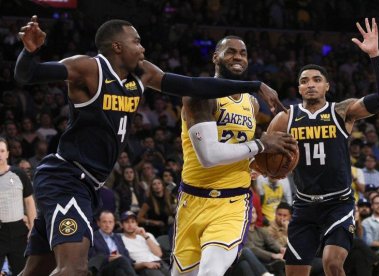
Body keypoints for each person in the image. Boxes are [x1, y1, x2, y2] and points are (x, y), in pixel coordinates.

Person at [15, 16, 286, 275]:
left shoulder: (143, 74)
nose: (142, 47)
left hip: (90, 183)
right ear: (117, 47)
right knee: (74, 268)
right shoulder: (87, 68)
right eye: (136, 41)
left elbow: (191, 85)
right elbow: (28, 75)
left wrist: (255, 85)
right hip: (66, 177)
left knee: (36, 270)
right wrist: (28, 52)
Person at [269, 18, 379, 276]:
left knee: (332, 263)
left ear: (327, 86)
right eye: (305, 81)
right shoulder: (286, 118)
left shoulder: (342, 111)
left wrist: (375, 55)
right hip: (304, 205)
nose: (310, 84)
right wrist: (261, 168)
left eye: (317, 79)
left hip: (338, 203)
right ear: (299, 87)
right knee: (293, 271)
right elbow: (265, 151)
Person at [171, 36, 297, 275]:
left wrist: (261, 165)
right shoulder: (199, 95)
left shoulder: (252, 103)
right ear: (215, 57)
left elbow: (240, 147)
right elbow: (209, 156)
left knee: (210, 272)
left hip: (233, 202)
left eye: (243, 53)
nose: (238, 57)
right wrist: (261, 146)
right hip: (191, 200)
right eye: (230, 52)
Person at [0, 137, 36, 275]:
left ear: (7, 154)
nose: (0, 154)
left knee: (22, 271)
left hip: (18, 231)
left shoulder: (19, 174)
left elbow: (29, 202)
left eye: (2, 151)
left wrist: (33, 229)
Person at [120, 210, 169, 276]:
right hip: (144, 267)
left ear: (136, 224)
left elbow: (159, 254)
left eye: (132, 222)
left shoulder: (147, 235)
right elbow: (127, 264)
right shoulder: (120, 240)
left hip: (160, 263)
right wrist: (145, 264)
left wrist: (145, 236)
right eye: (126, 222)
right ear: (122, 225)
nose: (130, 225)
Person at [88, 210, 136, 276]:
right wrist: (108, 258)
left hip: (118, 267)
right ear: (98, 223)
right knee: (121, 259)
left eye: (110, 222)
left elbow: (126, 255)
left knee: (120, 271)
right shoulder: (93, 237)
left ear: (114, 223)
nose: (107, 225)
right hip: (103, 269)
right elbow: (91, 258)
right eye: (104, 222)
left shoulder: (118, 237)